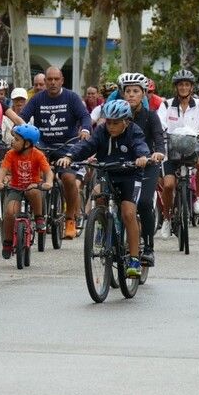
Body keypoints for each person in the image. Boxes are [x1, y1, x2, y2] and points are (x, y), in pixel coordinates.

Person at [56, 100, 151, 277]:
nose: (111, 127)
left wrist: (143, 157)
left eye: (116, 123)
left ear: (126, 121)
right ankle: (102, 226)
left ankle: (134, 259)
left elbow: (140, 145)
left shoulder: (134, 131)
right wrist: (70, 156)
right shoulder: (101, 131)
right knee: (98, 195)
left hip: (130, 175)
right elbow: (87, 145)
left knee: (128, 212)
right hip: (108, 173)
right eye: (108, 122)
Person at [19, 66, 92, 239]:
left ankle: (70, 219)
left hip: (67, 146)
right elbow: (23, 117)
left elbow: (85, 116)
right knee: (32, 176)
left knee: (68, 178)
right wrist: (19, 131)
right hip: (43, 145)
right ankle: (36, 215)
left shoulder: (71, 97)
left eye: (56, 79)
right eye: (49, 79)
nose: (52, 82)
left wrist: (85, 130)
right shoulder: (37, 99)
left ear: (62, 80)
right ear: (45, 82)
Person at [157, 69, 199, 239]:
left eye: (187, 85)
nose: (183, 87)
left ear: (191, 87)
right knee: (169, 185)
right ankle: (167, 218)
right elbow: (159, 124)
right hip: (171, 149)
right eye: (180, 85)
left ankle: (197, 198)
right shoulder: (166, 105)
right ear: (176, 87)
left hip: (194, 147)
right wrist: (161, 133)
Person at [119, 72, 166, 265]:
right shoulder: (117, 115)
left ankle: (148, 247)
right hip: (122, 165)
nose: (131, 94)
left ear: (144, 94)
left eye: (135, 91)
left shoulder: (151, 116)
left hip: (147, 165)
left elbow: (159, 138)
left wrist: (158, 153)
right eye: (127, 91)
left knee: (145, 203)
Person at [0, 124, 53, 259]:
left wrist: (48, 182)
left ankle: (39, 218)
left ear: (27, 144)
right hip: (15, 188)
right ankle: (7, 242)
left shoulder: (38, 154)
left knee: (33, 191)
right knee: (10, 212)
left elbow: (48, 172)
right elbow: (3, 169)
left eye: (16, 139)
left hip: (32, 187)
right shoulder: (10, 154)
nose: (12, 141)